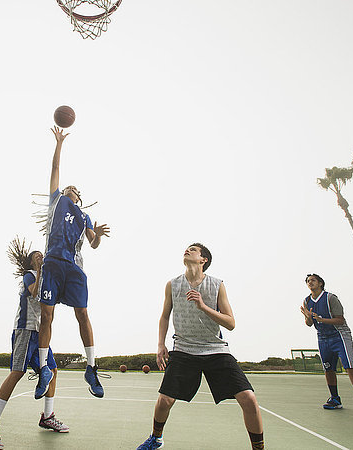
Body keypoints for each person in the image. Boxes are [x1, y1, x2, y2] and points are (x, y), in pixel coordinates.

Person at [137, 243, 264, 450]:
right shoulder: (172, 284)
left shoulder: (217, 285)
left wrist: (203, 306)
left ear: (203, 260)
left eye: (193, 249)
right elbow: (164, 316)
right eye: (187, 248)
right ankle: (156, 438)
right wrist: (161, 344)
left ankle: (258, 448)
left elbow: (230, 323)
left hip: (215, 348)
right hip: (184, 349)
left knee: (248, 398)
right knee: (164, 400)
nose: (187, 250)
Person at [34, 126, 110, 400]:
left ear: (79, 197)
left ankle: (91, 367)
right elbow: (54, 167)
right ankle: (43, 368)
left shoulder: (85, 217)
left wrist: (98, 235)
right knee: (47, 316)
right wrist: (59, 143)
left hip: (75, 269)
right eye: (67, 187)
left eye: (73, 189)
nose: (69, 189)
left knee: (83, 315)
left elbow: (93, 243)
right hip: (53, 264)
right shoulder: (56, 202)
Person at [0, 238, 68, 450]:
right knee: (17, 372)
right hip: (25, 330)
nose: (40, 256)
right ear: (30, 263)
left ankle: (47, 416)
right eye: (36, 256)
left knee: (53, 370)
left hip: (40, 334)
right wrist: (37, 268)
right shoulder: (30, 275)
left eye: (41, 255)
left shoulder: (48, 279)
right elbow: (34, 292)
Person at [300, 273, 353, 420]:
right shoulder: (307, 301)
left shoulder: (330, 298)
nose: (310, 283)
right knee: (328, 368)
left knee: (350, 366)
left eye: (313, 280)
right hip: (322, 337)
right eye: (308, 281)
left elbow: (340, 320)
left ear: (320, 283)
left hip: (340, 336)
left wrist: (322, 319)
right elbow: (310, 324)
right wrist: (308, 318)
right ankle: (335, 399)